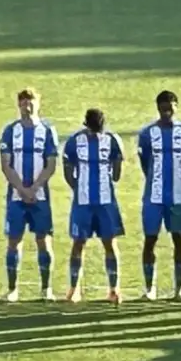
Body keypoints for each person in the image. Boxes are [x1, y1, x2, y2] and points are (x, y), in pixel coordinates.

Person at [0, 87, 59, 303]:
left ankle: (46, 289)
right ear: (19, 105)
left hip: (39, 196)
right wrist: (22, 190)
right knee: (14, 241)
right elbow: (5, 165)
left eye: (31, 101)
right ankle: (13, 289)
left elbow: (51, 164)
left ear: (38, 103)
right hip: (17, 197)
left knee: (44, 241)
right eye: (24, 102)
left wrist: (34, 189)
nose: (28, 105)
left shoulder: (47, 131)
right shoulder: (10, 131)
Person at [138, 89, 181, 301]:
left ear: (176, 108)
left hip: (177, 196)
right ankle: (149, 288)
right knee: (150, 240)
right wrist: (155, 178)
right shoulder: (147, 133)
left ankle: (179, 288)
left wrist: (180, 178)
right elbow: (145, 163)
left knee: (179, 239)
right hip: (153, 197)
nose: (166, 113)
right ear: (157, 109)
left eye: (170, 109)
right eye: (163, 110)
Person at [64, 108, 125, 304]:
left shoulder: (112, 140)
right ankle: (74, 289)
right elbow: (67, 168)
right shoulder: (74, 141)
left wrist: (113, 173)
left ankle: (114, 289)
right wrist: (78, 187)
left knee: (109, 242)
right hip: (82, 203)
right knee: (78, 243)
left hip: (106, 202)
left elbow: (117, 170)